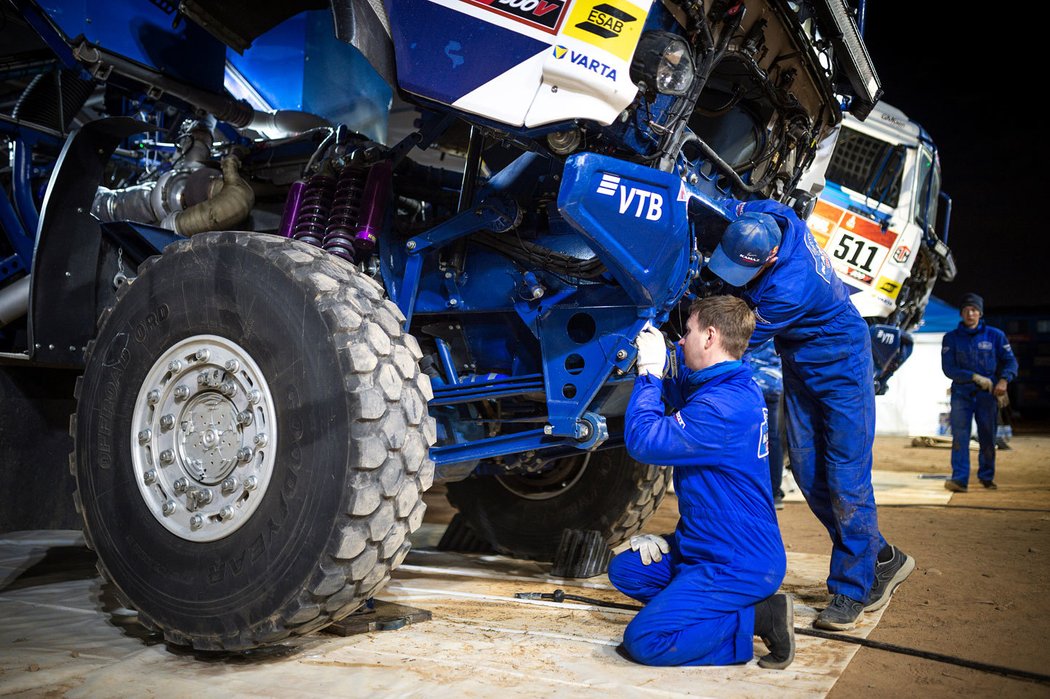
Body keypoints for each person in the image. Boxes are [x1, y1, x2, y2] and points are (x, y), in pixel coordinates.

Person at [706, 199, 914, 631]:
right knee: (806, 470)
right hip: (801, 364)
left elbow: (733, 339)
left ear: (774, 257)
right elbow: (727, 200)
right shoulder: (772, 217)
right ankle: (881, 555)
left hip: (842, 367)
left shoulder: (789, 288)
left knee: (845, 477)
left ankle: (852, 589)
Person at [608, 296, 794, 669]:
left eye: (687, 332)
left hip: (736, 561)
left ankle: (759, 617)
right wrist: (671, 540)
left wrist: (647, 371)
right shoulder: (727, 385)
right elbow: (681, 390)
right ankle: (695, 603)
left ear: (709, 337)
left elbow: (644, 440)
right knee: (626, 569)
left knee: (645, 641)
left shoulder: (721, 409)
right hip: (707, 543)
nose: (679, 340)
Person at [940, 293, 1018, 491]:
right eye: (966, 310)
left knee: (987, 436)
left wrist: (1003, 380)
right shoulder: (951, 338)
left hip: (987, 396)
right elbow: (949, 369)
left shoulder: (995, 336)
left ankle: (986, 477)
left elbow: (1011, 362)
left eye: (974, 310)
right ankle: (959, 479)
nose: (970, 313)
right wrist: (973, 376)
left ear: (980, 313)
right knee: (960, 437)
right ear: (961, 313)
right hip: (961, 395)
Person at [750, 339, 786, 508]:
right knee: (772, 437)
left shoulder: (749, 319)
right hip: (772, 382)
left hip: (751, 383)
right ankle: (774, 492)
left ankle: (751, 490)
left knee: (748, 437)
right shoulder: (777, 318)